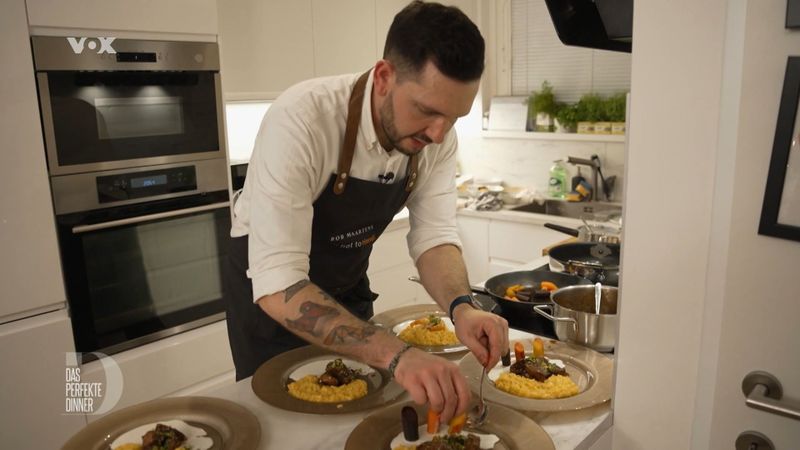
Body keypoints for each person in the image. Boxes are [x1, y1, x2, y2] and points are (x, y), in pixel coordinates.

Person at [224, 0, 509, 424]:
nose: (438, 133)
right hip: (274, 309)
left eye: (454, 118)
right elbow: (279, 280)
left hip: (347, 287)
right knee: (290, 430)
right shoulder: (303, 120)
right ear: (383, 77)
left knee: (358, 417)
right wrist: (398, 355)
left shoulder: (436, 137)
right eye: (427, 111)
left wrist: (462, 307)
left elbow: (433, 238)